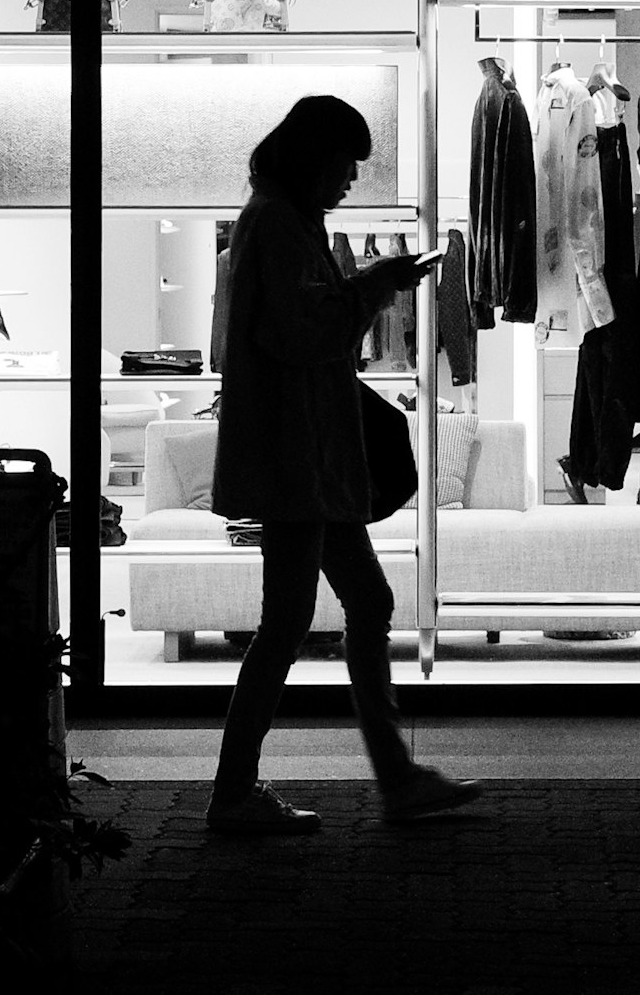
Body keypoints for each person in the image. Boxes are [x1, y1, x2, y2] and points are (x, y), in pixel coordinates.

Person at [206, 95, 483, 834]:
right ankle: (239, 793)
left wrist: (370, 284)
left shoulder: (278, 218)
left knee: (352, 607)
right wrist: (378, 283)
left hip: (306, 463)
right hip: (299, 464)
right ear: (313, 158)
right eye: (343, 166)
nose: (349, 181)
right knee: (292, 620)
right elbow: (305, 333)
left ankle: (391, 778)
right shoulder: (278, 225)